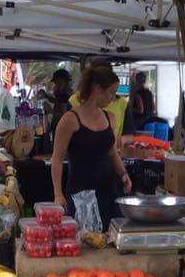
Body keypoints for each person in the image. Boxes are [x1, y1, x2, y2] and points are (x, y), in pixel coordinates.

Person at [51, 65, 132, 231]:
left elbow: (112, 153)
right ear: (97, 89)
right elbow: (57, 159)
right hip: (81, 194)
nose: (113, 97)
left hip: (109, 191)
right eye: (111, 92)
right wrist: (58, 194)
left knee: (110, 241)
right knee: (85, 241)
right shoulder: (70, 119)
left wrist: (123, 174)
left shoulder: (110, 117)